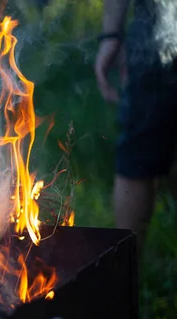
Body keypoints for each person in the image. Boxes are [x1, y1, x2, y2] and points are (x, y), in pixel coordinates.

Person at [95, 0, 177, 248]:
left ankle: (125, 274)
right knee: (141, 149)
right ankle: (128, 271)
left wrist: (111, 35)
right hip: (160, 24)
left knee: (139, 153)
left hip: (157, 26)